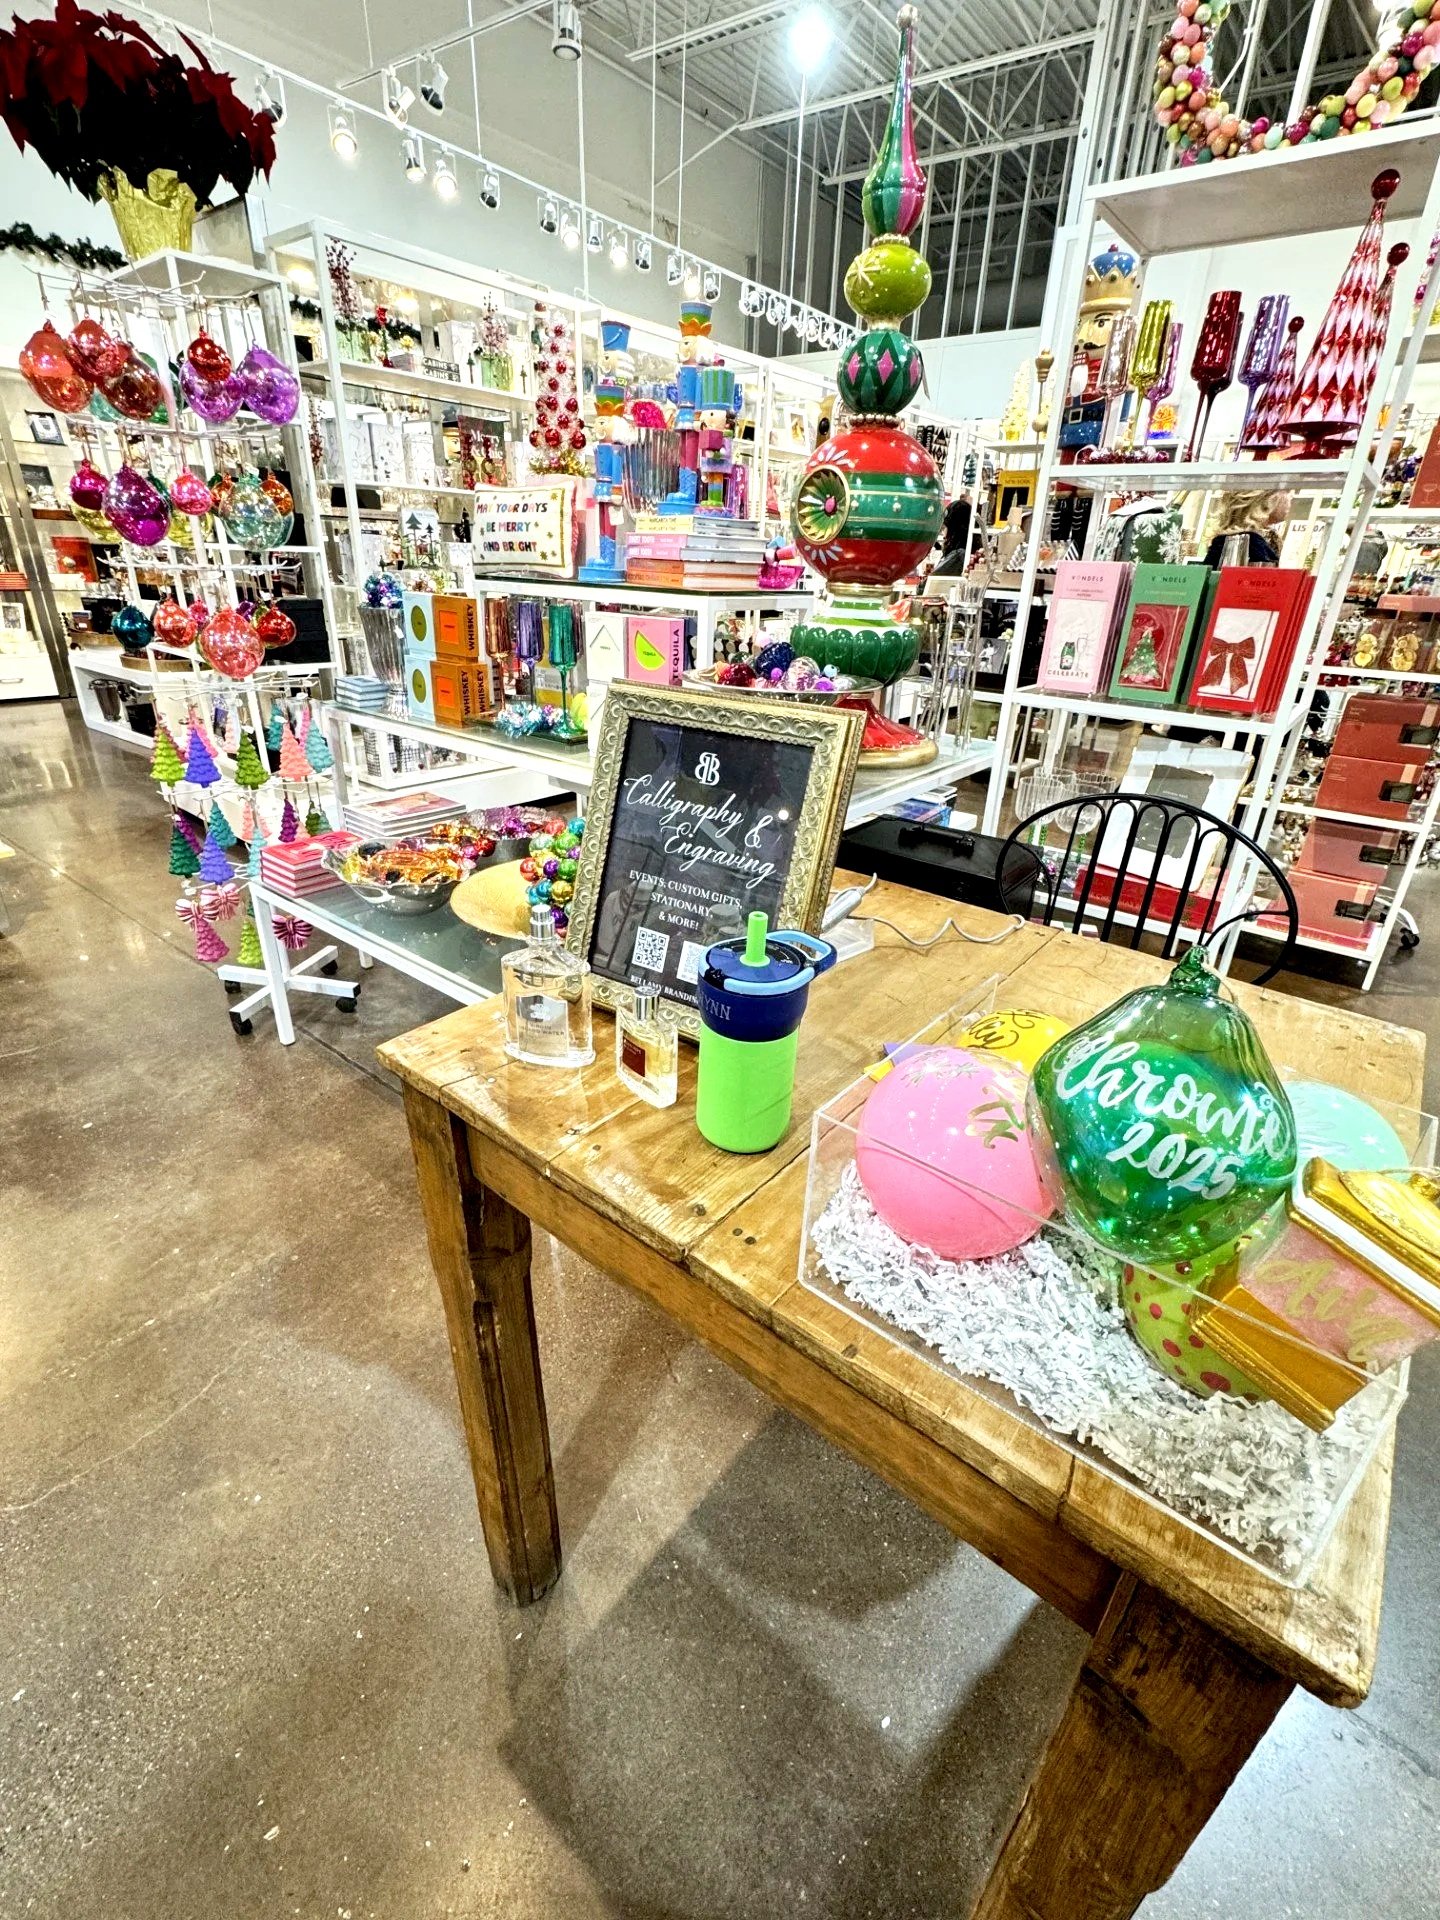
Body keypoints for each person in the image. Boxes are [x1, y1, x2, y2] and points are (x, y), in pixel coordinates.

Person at [1202, 489, 1292, 568]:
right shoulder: (1252, 543)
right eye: (1287, 491)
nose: (1291, 496)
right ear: (1267, 499)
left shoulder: (1229, 539)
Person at [924, 496, 972, 585]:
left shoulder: (958, 554)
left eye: (945, 528)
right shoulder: (967, 552)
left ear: (953, 528)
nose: (943, 533)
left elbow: (927, 585)